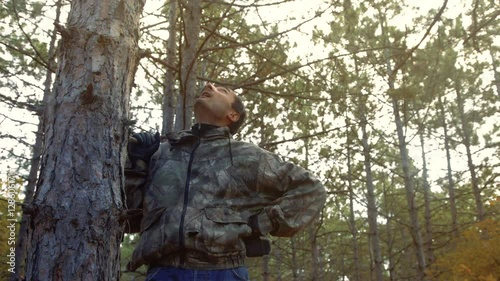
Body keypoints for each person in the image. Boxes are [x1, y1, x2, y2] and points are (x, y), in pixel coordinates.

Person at [124, 82, 327, 281]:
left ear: (233, 115)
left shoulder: (247, 156)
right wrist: (139, 164)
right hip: (163, 272)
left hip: (223, 272)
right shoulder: (163, 153)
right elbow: (130, 219)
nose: (209, 86)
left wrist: (260, 223)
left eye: (222, 90)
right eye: (209, 87)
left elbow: (311, 189)